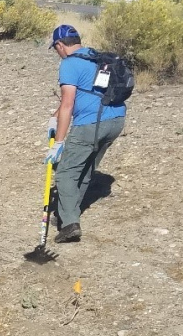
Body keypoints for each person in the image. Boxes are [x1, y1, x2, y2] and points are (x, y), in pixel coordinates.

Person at [47, 24, 126, 243]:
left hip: (90, 125)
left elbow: (68, 104)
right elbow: (89, 93)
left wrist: (58, 143)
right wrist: (54, 118)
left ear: (60, 45)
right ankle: (67, 212)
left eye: (55, 48)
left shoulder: (70, 64)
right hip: (116, 121)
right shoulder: (96, 57)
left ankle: (71, 224)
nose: (57, 52)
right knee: (86, 168)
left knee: (65, 173)